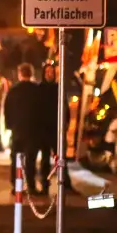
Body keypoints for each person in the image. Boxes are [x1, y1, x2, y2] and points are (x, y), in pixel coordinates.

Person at [3, 63, 44, 195]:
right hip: (33, 131)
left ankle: (16, 186)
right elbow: (42, 111)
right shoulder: (37, 90)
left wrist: (10, 126)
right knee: (31, 160)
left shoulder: (13, 91)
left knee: (16, 159)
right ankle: (31, 186)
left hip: (18, 131)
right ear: (31, 74)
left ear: (20, 74)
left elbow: (7, 110)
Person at [35, 62, 76, 193]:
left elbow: (65, 107)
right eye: (47, 72)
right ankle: (44, 185)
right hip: (44, 130)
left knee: (61, 158)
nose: (50, 74)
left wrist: (66, 124)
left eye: (52, 72)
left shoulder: (58, 88)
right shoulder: (39, 89)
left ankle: (65, 184)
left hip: (57, 129)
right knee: (45, 160)